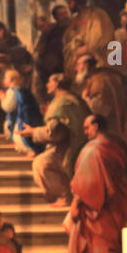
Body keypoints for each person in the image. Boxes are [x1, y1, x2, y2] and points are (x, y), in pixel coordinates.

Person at [65, 115, 127, 253]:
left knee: (104, 250)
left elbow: (86, 184)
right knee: (96, 249)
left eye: (87, 127)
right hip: (116, 202)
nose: (85, 131)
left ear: (96, 126)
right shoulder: (116, 145)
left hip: (99, 207)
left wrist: (76, 203)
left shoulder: (93, 151)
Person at [20, 73, 88, 206]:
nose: (47, 85)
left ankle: (64, 196)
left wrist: (33, 132)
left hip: (72, 149)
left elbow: (55, 134)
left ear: (57, 84)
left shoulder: (61, 103)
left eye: (50, 82)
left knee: (41, 163)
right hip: (79, 143)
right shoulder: (73, 99)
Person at [74, 52, 127, 155]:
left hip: (120, 124)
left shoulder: (100, 80)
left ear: (85, 66)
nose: (76, 68)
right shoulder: (100, 75)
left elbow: (102, 109)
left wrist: (85, 99)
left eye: (78, 65)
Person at [62, 0, 116, 69]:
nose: (68, 6)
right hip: (77, 58)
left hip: (97, 58)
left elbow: (103, 37)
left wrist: (87, 49)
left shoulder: (97, 15)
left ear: (77, 2)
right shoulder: (75, 20)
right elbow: (67, 39)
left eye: (70, 3)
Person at [0, 68, 43, 155]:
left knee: (19, 135)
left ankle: (30, 151)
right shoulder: (23, 90)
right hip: (28, 116)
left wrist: (2, 99)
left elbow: (8, 107)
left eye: (5, 78)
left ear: (11, 80)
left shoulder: (13, 91)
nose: (3, 80)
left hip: (23, 118)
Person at [32, 4, 70, 103]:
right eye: (40, 27)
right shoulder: (44, 36)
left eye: (44, 25)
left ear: (47, 22)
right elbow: (38, 50)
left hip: (61, 64)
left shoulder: (59, 29)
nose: (43, 28)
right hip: (50, 69)